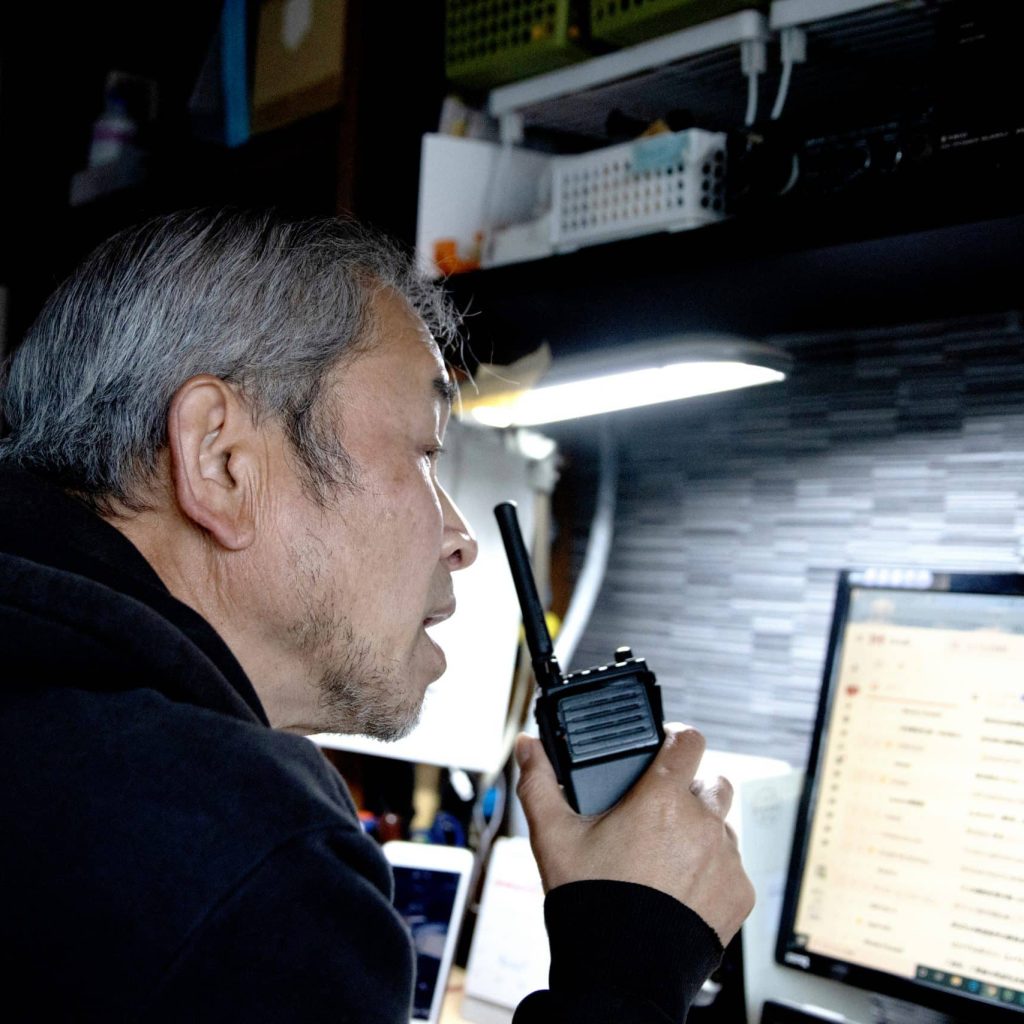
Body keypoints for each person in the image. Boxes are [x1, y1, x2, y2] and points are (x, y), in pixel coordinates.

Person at [0, 208, 754, 1022]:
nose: (460, 540)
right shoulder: (249, 854)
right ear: (221, 462)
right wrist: (630, 966)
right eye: (426, 453)